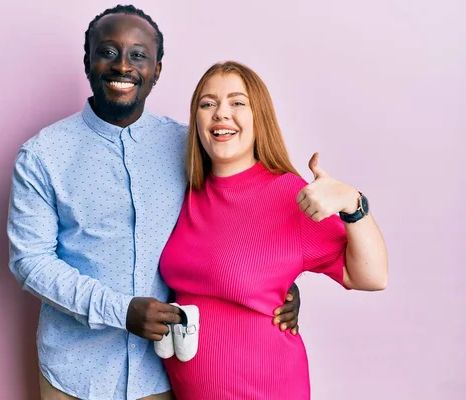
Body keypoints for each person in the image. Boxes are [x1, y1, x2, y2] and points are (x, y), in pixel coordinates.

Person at [7, 5, 302, 400]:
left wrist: (280, 284)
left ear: (157, 69)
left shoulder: (190, 146)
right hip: (75, 376)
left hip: (166, 374)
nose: (122, 66)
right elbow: (30, 262)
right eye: (108, 52)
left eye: (138, 55)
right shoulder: (43, 155)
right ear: (88, 62)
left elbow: (239, 216)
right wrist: (120, 311)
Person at [159, 61, 389, 399]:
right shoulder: (182, 188)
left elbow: (371, 277)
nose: (221, 113)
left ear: (259, 117)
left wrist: (353, 204)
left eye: (237, 102)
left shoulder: (289, 195)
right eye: (208, 104)